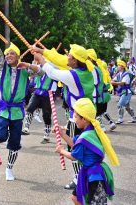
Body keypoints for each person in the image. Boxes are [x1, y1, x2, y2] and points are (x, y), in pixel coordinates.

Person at [31, 44, 94, 190]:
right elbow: (59, 61)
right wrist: (43, 51)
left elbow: (52, 73)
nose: (68, 57)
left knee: (76, 150)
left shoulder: (73, 75)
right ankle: (82, 178)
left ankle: (79, 179)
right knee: (81, 148)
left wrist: (41, 58)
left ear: (76, 60)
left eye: (70, 56)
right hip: (83, 116)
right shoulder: (86, 72)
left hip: (78, 118)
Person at [0, 23, 44, 181]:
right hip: (3, 109)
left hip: (18, 112)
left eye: (12, 54)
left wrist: (30, 64)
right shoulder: (1, 67)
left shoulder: (25, 70)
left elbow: (42, 72)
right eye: (7, 54)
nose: (8, 56)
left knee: (14, 143)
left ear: (18, 56)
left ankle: (9, 169)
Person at [55, 98, 118, 205]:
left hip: (94, 177)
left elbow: (74, 156)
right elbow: (75, 145)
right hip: (91, 174)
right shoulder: (91, 132)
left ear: (84, 119)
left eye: (75, 117)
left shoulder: (85, 137)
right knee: (76, 199)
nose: (74, 120)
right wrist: (62, 134)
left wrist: (62, 151)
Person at [22, 71, 58, 144]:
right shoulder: (37, 69)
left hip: (47, 95)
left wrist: (53, 92)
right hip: (37, 93)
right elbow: (32, 82)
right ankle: (26, 127)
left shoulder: (51, 70)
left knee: (46, 115)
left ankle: (46, 136)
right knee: (30, 108)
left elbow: (56, 82)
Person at [87, 49, 116, 132]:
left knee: (97, 113)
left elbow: (94, 84)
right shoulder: (101, 71)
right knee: (102, 111)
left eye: (88, 58)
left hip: (98, 96)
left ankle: (102, 127)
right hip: (103, 95)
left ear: (91, 59)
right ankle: (111, 123)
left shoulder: (94, 69)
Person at [111, 59, 136, 124]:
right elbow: (113, 80)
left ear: (122, 66)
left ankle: (120, 119)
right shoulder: (118, 74)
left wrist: (113, 83)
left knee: (120, 104)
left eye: (119, 65)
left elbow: (123, 83)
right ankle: (134, 118)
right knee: (127, 107)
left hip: (126, 92)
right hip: (123, 92)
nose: (117, 67)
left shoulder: (126, 74)